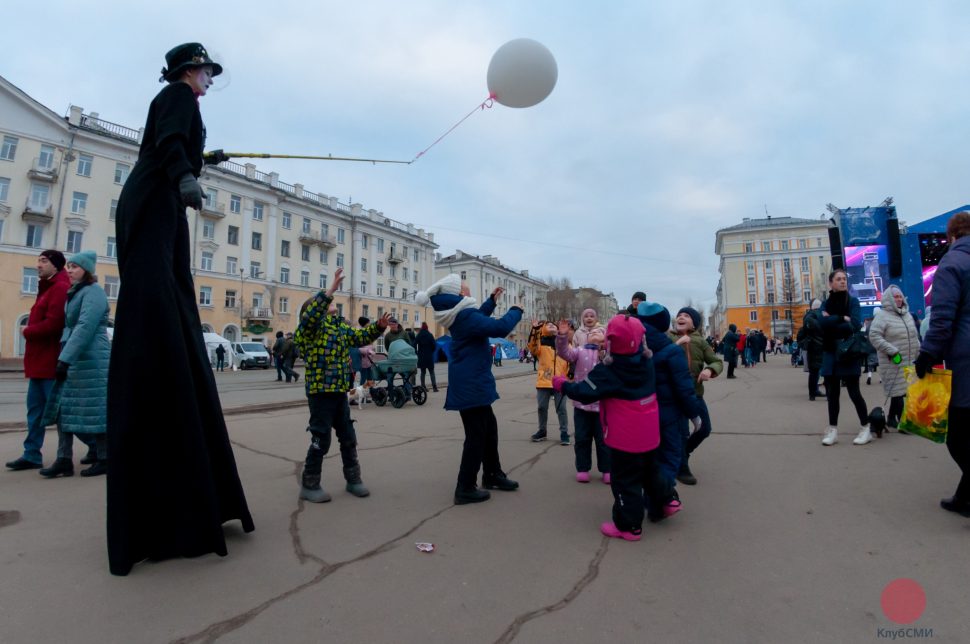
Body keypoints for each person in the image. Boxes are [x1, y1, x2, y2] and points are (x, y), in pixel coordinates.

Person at [108, 43, 254, 576]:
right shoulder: (177, 96)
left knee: (171, 295)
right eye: (205, 71)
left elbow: (173, 146)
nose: (209, 79)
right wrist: (185, 173)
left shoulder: (181, 103)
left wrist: (200, 163)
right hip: (152, 204)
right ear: (188, 71)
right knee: (159, 301)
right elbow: (167, 142)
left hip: (157, 201)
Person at [555, 314, 665, 541]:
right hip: (650, 432)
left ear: (610, 342)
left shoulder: (611, 370)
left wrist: (562, 385)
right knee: (651, 471)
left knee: (625, 482)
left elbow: (583, 392)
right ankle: (668, 501)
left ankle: (629, 526)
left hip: (625, 437)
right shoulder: (646, 362)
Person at [415, 274, 523, 505]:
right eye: (466, 287)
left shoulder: (461, 315)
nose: (469, 290)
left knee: (489, 429)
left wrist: (491, 301)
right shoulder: (464, 315)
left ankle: (493, 474)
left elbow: (478, 319)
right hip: (471, 384)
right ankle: (465, 486)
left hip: (470, 381)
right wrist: (516, 308)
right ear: (460, 294)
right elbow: (500, 327)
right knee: (476, 435)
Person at [295, 268, 390, 503]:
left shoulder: (339, 327)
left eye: (330, 301)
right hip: (319, 392)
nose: (331, 304)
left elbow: (360, 338)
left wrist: (378, 326)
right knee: (321, 438)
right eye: (326, 303)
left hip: (339, 391)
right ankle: (310, 483)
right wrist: (329, 290)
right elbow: (311, 317)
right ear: (313, 311)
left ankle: (353, 479)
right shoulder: (309, 329)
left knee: (348, 435)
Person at [6, 250, 90, 472]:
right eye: (38, 260)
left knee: (62, 413)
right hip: (39, 363)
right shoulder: (48, 288)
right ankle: (31, 454)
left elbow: (54, 325)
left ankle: (100, 446)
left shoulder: (60, 289)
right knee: (36, 411)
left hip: (51, 362)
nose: (38, 265)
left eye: (44, 261)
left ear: (56, 265)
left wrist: (28, 331)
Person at [915, 211, 970, 517]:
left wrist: (927, 356)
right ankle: (963, 498)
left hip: (965, 359)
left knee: (958, 437)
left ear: (951, 237)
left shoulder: (952, 263)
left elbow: (942, 319)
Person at [43, 251, 111, 478]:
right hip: (76, 356)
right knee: (64, 407)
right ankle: (64, 459)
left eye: (74, 266)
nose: (69, 270)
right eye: (68, 266)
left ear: (86, 270)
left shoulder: (94, 292)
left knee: (97, 410)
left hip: (92, 358)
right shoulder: (77, 291)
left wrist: (65, 358)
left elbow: (85, 326)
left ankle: (105, 458)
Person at [636, 302, 703, 519]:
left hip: (641, 415)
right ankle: (659, 502)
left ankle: (653, 502)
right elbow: (684, 388)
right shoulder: (672, 351)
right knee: (671, 457)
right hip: (669, 416)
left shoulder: (632, 349)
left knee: (650, 458)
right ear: (664, 324)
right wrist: (694, 414)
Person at [668, 306, 722, 485]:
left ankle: (684, 453)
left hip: (695, 394)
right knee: (682, 433)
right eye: (679, 315)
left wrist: (709, 370)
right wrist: (677, 344)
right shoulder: (669, 338)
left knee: (704, 428)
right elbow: (660, 357)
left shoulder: (700, 341)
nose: (681, 317)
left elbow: (716, 361)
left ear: (695, 323)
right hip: (674, 395)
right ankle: (682, 468)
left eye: (686, 316)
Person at [818, 268, 871, 446]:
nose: (842, 282)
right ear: (831, 283)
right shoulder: (825, 304)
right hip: (830, 352)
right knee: (832, 394)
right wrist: (842, 318)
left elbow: (854, 325)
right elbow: (821, 324)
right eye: (838, 279)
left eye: (844, 279)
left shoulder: (853, 301)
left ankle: (865, 428)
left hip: (848, 352)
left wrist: (834, 321)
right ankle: (832, 430)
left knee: (854, 393)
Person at [556, 319, 610, 484]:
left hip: (603, 407)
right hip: (582, 406)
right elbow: (564, 353)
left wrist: (606, 351)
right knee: (582, 439)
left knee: (604, 442)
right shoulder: (579, 351)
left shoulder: (609, 355)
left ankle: (607, 470)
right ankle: (583, 469)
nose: (594, 332)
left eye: (598, 331)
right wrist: (563, 336)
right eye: (591, 332)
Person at [868, 285, 920, 428]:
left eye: (900, 296)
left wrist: (919, 350)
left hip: (909, 360)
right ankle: (903, 422)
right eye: (895, 297)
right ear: (889, 299)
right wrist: (891, 350)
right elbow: (874, 336)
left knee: (903, 391)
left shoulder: (907, 315)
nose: (898, 299)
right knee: (898, 391)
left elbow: (914, 336)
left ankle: (891, 418)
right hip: (893, 360)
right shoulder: (882, 316)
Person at [527, 320, 570, 444]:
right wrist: (535, 330)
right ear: (544, 329)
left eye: (553, 325)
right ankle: (542, 431)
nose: (551, 326)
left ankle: (564, 432)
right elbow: (532, 346)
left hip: (561, 381)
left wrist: (569, 374)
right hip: (544, 381)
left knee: (561, 408)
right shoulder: (541, 344)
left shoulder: (563, 342)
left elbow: (571, 358)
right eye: (548, 325)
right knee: (541, 407)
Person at [797, 299, 825, 401]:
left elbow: (802, 334)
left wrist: (805, 345)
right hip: (823, 346)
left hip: (812, 347)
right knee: (826, 371)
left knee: (813, 372)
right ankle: (828, 393)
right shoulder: (823, 316)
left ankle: (812, 394)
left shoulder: (807, 317)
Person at [413, 323, 437, 392]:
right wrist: (431, 351)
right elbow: (434, 346)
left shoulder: (419, 335)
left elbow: (414, 344)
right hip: (429, 356)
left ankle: (423, 387)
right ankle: (434, 387)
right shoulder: (430, 335)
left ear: (421, 328)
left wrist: (416, 352)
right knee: (432, 372)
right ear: (427, 327)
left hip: (421, 356)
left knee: (423, 372)